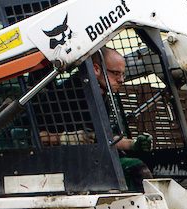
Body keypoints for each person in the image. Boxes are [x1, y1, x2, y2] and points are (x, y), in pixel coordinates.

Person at [38, 47, 153, 188]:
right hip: (62, 162)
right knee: (136, 169)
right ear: (96, 69)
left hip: (88, 159)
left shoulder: (102, 98)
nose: (121, 80)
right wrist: (64, 138)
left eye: (123, 74)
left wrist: (133, 144)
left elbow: (103, 138)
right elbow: (28, 137)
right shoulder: (63, 96)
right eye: (116, 73)